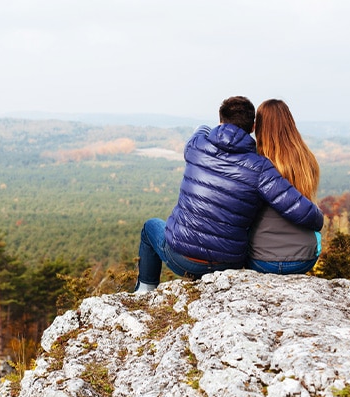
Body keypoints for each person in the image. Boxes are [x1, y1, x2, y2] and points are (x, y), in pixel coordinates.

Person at [134, 96, 323, 293]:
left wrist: (212, 127)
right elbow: (299, 209)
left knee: (150, 227)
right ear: (252, 127)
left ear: (221, 121)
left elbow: (200, 130)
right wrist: (318, 221)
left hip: (182, 259)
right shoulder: (260, 167)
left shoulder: (196, 146)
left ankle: (145, 290)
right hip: (228, 263)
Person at [247, 99, 322, 274]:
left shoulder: (255, 162)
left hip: (261, 259)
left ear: (259, 126)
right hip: (305, 258)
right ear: (290, 123)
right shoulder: (307, 160)